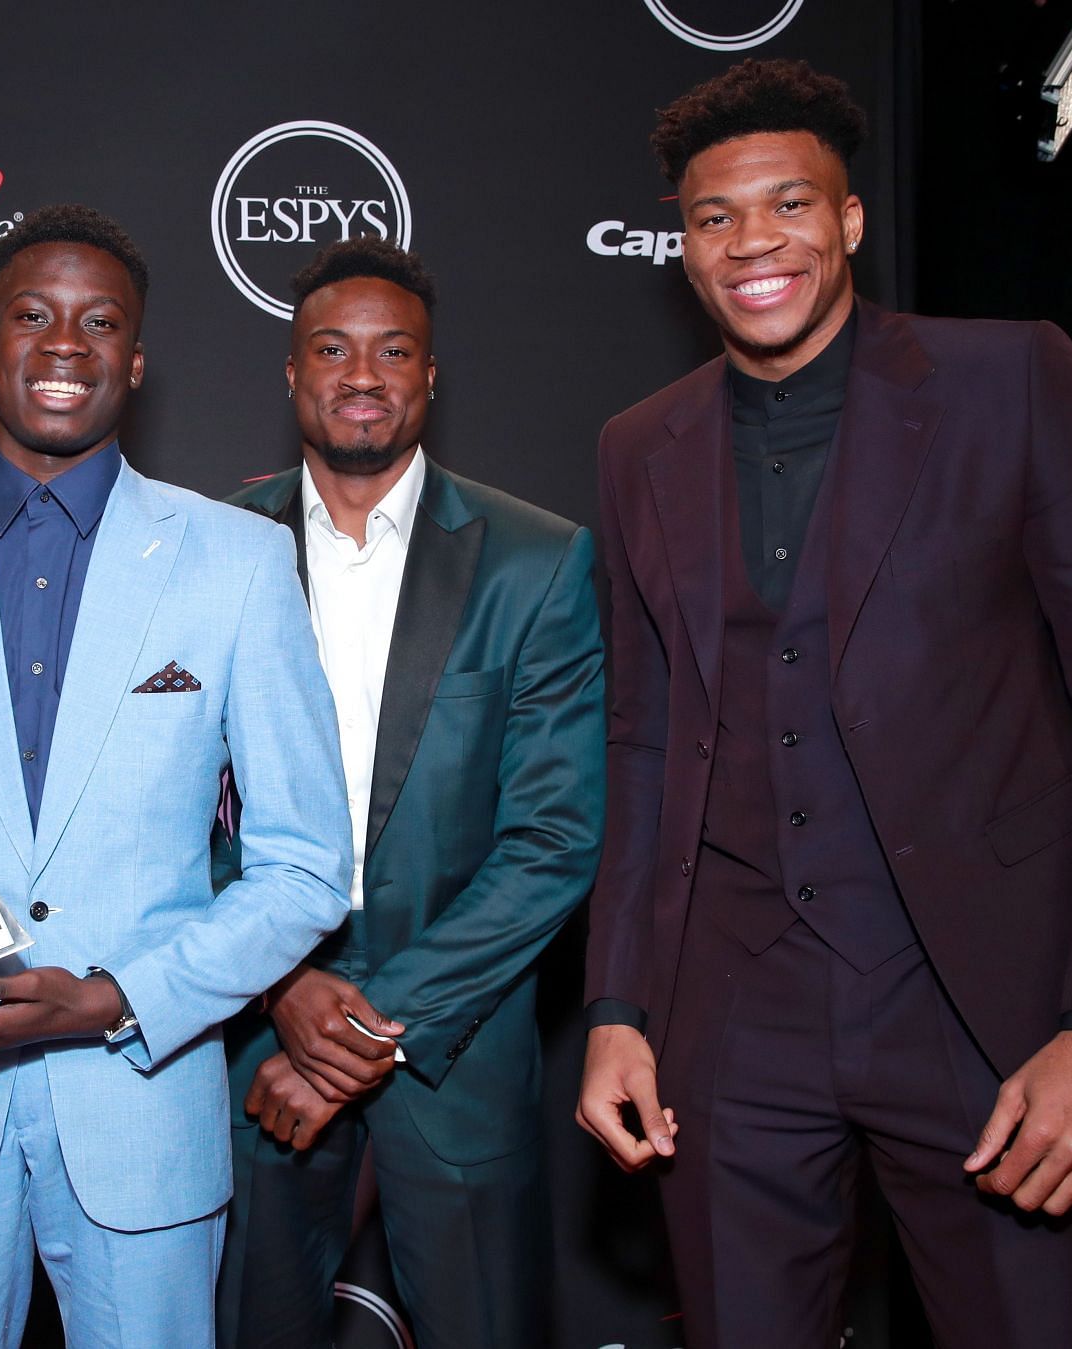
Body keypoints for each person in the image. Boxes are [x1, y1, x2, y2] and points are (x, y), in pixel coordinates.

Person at [573, 59, 1072, 1348]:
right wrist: (620, 1006)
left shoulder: (1010, 382)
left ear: (848, 221)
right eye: (714, 218)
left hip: (988, 1006)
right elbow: (641, 742)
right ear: (681, 250)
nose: (755, 241)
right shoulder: (640, 443)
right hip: (734, 1018)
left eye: (789, 204)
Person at [0, 204, 352, 1349]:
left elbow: (307, 867)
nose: (65, 343)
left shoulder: (240, 563)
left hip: (141, 1117)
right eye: (32, 315)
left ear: (136, 359)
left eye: (98, 321)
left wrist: (116, 998)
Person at [213, 237, 604, 1349]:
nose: (363, 373)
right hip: (252, 1038)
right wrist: (283, 978)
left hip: (457, 1044)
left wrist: (373, 1026)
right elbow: (169, 810)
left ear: (432, 377)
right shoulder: (209, 546)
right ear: (292, 373)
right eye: (332, 348)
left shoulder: (536, 559)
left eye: (395, 350)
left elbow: (555, 834)